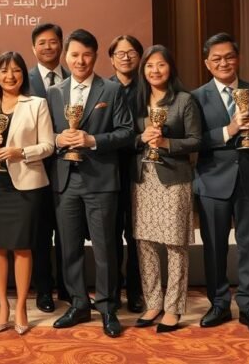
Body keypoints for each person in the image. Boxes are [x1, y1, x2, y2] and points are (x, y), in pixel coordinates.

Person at [47, 28, 134, 338]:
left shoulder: (111, 91)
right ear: (66, 57)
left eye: (86, 54)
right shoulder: (54, 92)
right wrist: (58, 139)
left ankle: (108, 306)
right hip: (65, 180)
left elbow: (126, 132)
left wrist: (92, 139)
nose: (80, 60)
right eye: (74, 55)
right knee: (68, 246)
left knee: (105, 248)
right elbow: (44, 135)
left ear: (95, 57)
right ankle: (78, 303)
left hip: (101, 180)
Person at [192, 32, 249, 336]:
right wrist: (227, 130)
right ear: (207, 63)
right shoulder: (196, 97)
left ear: (238, 58)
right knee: (214, 247)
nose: (224, 62)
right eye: (217, 58)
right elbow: (194, 140)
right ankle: (218, 304)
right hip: (212, 182)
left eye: (229, 56)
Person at [0, 51, 54, 335]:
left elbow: (48, 145)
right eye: (4, 71)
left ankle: (21, 306)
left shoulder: (37, 104)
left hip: (25, 184)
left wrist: (21, 152)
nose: (10, 76)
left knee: (22, 247)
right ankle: (2, 306)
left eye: (16, 71)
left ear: (24, 74)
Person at [131, 45, 201, 333]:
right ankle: (153, 303)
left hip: (174, 180)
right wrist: (140, 137)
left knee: (175, 244)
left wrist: (167, 144)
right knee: (145, 243)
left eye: (160, 65)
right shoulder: (136, 100)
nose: (155, 70)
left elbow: (196, 141)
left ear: (170, 68)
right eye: (149, 66)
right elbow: (127, 137)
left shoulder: (184, 100)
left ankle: (173, 307)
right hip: (143, 178)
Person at [27, 22, 69, 311]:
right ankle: (43, 290)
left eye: (53, 42)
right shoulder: (23, 79)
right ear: (33, 48)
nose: (48, 47)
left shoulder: (76, 78)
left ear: (61, 45)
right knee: (40, 234)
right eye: (42, 43)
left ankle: (69, 287)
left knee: (68, 232)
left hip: (70, 168)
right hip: (34, 169)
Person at [108, 35, 145, 313]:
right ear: (111, 59)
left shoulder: (149, 88)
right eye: (120, 53)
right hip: (108, 171)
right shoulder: (103, 89)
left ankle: (135, 290)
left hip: (142, 171)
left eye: (131, 52)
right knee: (111, 234)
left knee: (136, 235)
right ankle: (113, 289)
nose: (126, 57)